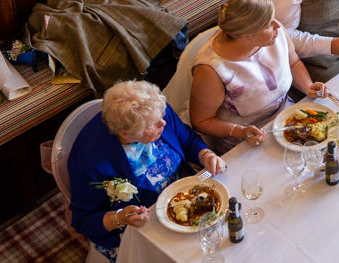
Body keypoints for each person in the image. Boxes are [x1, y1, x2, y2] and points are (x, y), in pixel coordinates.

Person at [67, 80, 226, 262]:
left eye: (162, 115)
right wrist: (119, 217)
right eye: (154, 124)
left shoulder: (156, 111)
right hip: (139, 228)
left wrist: (205, 154)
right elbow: (82, 220)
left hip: (185, 201)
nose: (163, 123)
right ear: (127, 133)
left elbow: (188, 140)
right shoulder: (89, 159)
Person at [188, 0, 327, 153]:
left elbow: (293, 61)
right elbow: (201, 121)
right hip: (244, 138)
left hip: (285, 118)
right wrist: (241, 131)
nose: (278, 25)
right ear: (247, 35)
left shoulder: (276, 33)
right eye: (269, 24)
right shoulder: (211, 70)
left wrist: (307, 86)